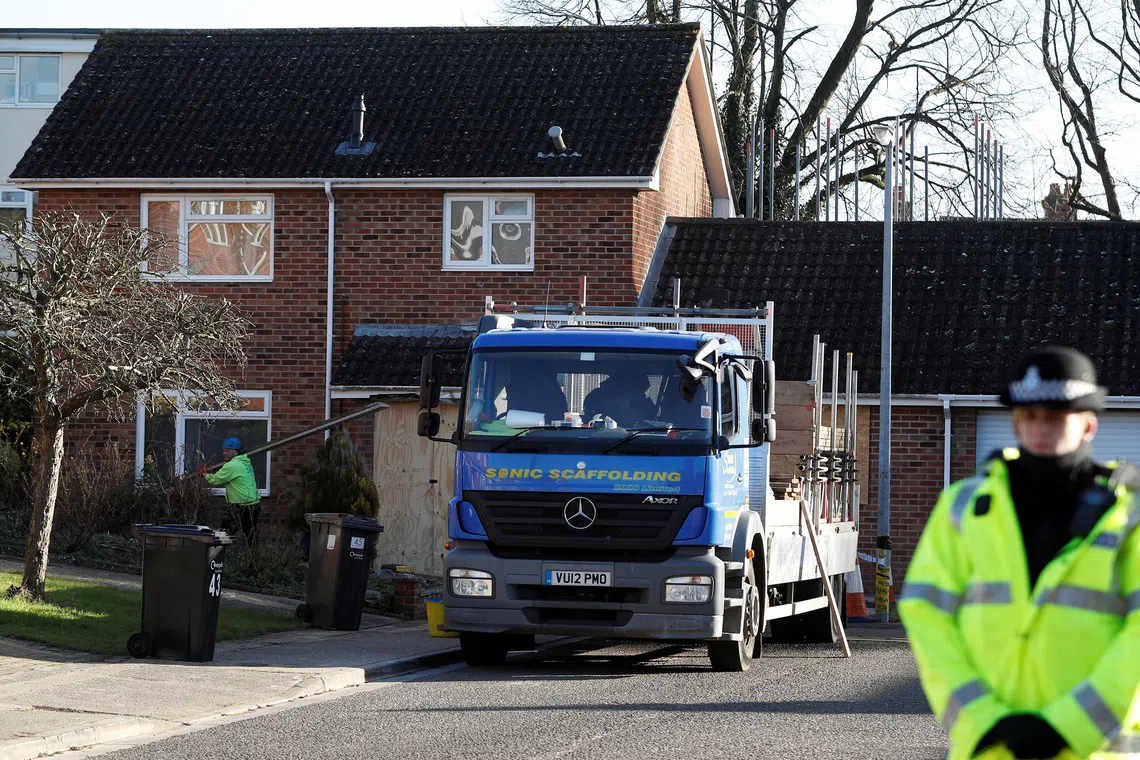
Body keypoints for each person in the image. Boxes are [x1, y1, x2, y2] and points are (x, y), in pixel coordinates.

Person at [898, 347, 1139, 760]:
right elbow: (925, 615)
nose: (1040, 427)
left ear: (1089, 425)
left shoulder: (1128, 515)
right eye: (1029, 416)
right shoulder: (964, 507)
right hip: (994, 746)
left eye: (1056, 415)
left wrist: (1068, 725)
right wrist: (983, 719)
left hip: (1091, 751)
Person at [199, 437, 261, 542]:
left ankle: (220, 551)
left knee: (226, 532)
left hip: (243, 506)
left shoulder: (232, 465)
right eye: (224, 450)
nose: (224, 453)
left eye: (227, 451)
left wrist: (204, 474)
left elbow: (215, 480)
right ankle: (249, 555)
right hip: (252, 504)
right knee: (249, 535)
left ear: (235, 452)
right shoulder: (245, 462)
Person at [583, 366, 657, 428]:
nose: (645, 397)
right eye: (640, 393)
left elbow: (653, 423)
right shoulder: (597, 399)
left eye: (646, 393)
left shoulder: (644, 405)